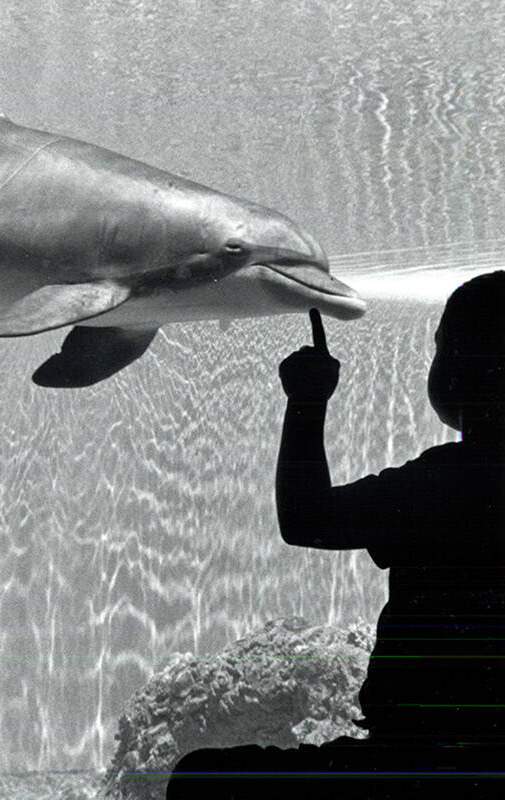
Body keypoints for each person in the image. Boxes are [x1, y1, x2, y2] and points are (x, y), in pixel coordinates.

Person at [166, 271, 505, 799]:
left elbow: (307, 518)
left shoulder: (442, 483)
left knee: (200, 779)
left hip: (411, 761)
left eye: (443, 347)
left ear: (464, 370)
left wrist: (307, 400)